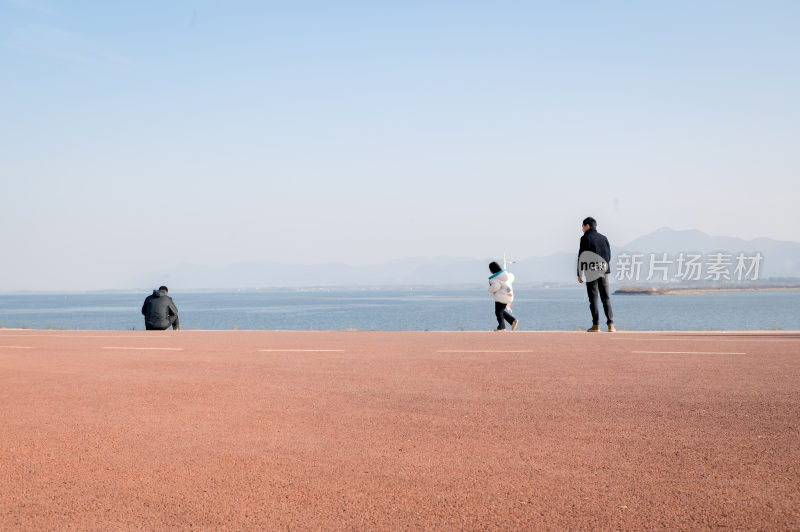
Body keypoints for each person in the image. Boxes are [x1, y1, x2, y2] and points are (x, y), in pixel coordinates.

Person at [577, 217, 615, 332]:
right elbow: (608, 255)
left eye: (583, 226)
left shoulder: (585, 238)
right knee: (606, 298)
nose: (582, 229)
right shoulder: (604, 238)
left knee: (593, 298)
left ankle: (596, 325)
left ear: (587, 226)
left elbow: (582, 256)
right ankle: (611, 325)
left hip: (591, 271)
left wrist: (580, 273)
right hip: (603, 271)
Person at [488, 261, 519, 331]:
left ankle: (502, 327)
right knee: (500, 311)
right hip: (509, 296)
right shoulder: (505, 276)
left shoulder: (496, 279)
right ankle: (512, 321)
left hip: (501, 297)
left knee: (498, 312)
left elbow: (496, 287)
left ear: (492, 270)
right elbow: (512, 277)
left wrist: (490, 289)